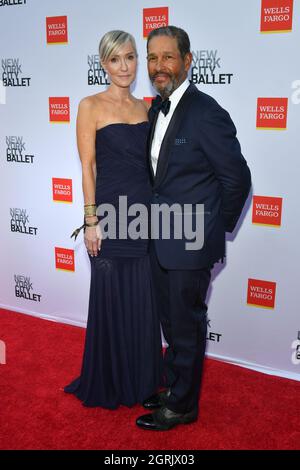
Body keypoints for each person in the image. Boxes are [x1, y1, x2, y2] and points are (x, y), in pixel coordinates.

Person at [136, 26, 251, 430]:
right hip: (158, 238)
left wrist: (208, 232)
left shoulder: (206, 112)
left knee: (186, 323)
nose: (158, 66)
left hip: (190, 242)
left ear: (187, 61)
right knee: (172, 322)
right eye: (153, 58)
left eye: (168, 57)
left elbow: (237, 180)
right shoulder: (156, 108)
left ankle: (183, 407)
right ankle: (176, 387)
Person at [64, 30, 162, 409]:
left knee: (143, 297)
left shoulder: (147, 108)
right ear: (103, 64)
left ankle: (143, 378)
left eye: (131, 57)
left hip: (146, 214)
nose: (125, 66)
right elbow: (87, 166)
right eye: (116, 59)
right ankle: (112, 379)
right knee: (111, 296)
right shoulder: (90, 106)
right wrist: (91, 220)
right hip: (109, 214)